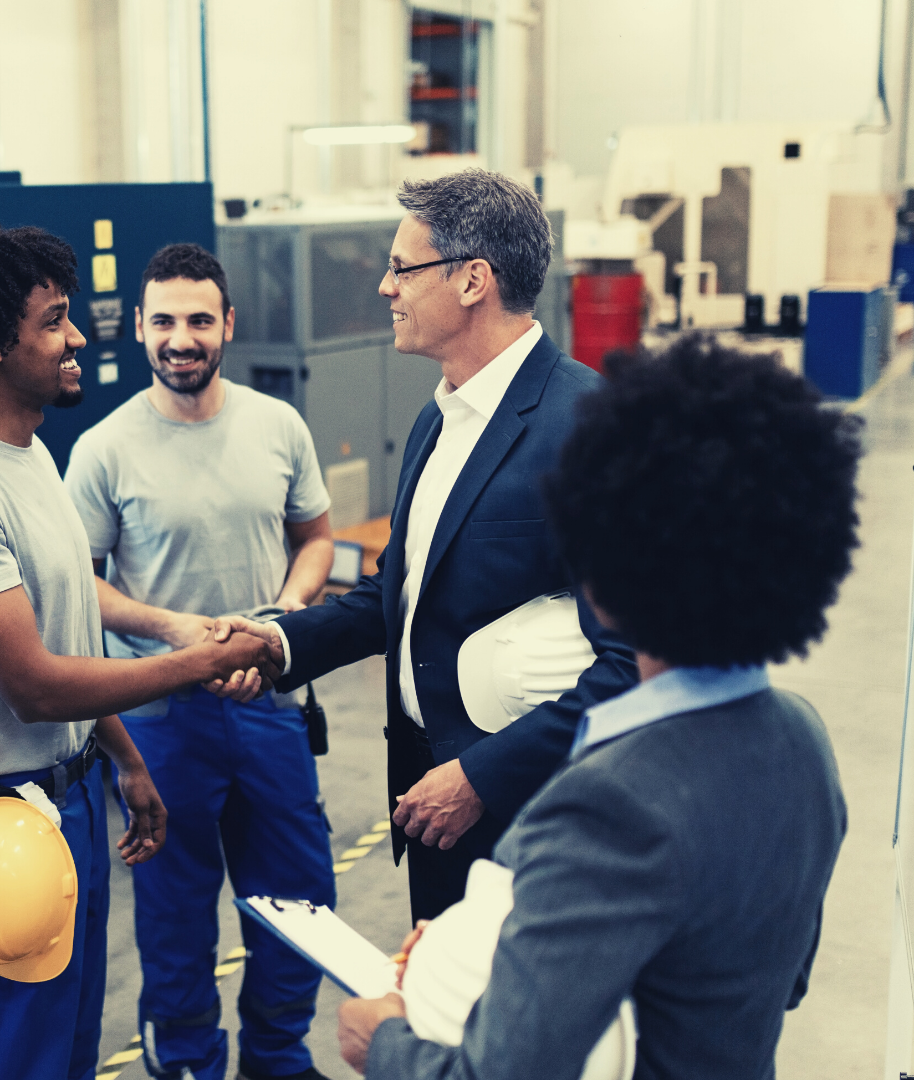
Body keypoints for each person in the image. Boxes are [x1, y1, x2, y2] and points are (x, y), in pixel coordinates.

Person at [336, 333, 858, 1078]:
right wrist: (472, 954)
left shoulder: (602, 806)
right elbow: (776, 980)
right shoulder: (803, 741)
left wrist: (382, 1040)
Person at [0, 221, 279, 1080]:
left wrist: (126, 759)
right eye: (55, 322)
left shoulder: (28, 454)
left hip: (64, 797)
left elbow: (61, 638)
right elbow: (32, 684)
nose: (76, 340)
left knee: (63, 1049)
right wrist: (204, 657)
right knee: (6, 1057)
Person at [213, 170, 637, 922]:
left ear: (473, 280)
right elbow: (395, 595)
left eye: (402, 268)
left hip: (532, 818)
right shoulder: (437, 421)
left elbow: (634, 665)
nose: (384, 288)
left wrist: (481, 776)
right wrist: (279, 643)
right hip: (432, 803)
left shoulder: (589, 429)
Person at [64, 243, 338, 1080]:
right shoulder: (105, 449)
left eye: (199, 320)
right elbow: (83, 587)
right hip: (161, 718)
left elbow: (317, 539)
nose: (181, 338)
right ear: (141, 328)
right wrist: (179, 632)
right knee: (177, 915)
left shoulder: (277, 426)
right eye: (165, 321)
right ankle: (184, 1060)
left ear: (227, 326)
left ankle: (277, 1057)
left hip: (270, 706)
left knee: (299, 898)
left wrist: (279, 626)